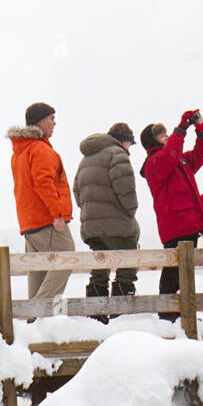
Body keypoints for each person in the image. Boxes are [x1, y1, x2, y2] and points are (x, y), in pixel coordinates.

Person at [141, 109, 203, 322]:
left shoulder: (177, 160)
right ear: (153, 143)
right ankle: (167, 316)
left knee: (184, 274)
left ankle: (180, 314)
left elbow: (201, 153)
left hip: (189, 224)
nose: (167, 138)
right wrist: (180, 128)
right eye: (162, 136)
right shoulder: (155, 163)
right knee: (173, 275)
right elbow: (170, 153)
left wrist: (201, 128)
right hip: (176, 225)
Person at [8, 102, 74, 299]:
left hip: (29, 221)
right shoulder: (40, 149)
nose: (55, 123)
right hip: (47, 220)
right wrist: (58, 215)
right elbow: (44, 184)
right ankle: (40, 312)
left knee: (38, 270)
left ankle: (33, 321)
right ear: (40, 122)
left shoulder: (20, 151)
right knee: (67, 257)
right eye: (51, 118)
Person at [74, 122, 140, 317]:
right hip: (117, 224)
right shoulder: (118, 154)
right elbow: (126, 190)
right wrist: (131, 211)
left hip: (91, 224)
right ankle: (121, 309)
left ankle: (96, 311)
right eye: (129, 144)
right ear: (124, 141)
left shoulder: (86, 158)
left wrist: (89, 211)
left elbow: (77, 190)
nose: (129, 148)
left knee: (100, 263)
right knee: (128, 257)